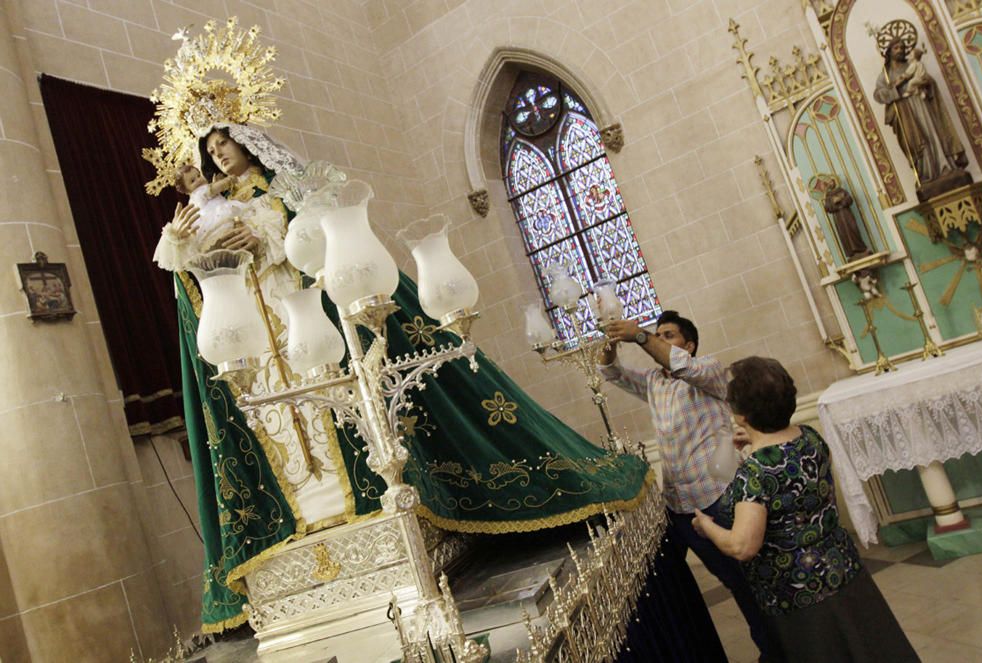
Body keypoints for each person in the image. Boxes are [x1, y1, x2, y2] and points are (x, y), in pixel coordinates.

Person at [158, 123, 655, 633]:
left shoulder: (285, 187)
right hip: (259, 348)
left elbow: (312, 239)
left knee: (339, 410)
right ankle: (308, 528)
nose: (218, 155)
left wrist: (264, 234)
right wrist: (179, 243)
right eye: (210, 149)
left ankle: (377, 509)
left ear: (246, 141)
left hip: (303, 316)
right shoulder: (204, 205)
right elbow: (193, 273)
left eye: (225, 144)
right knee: (288, 429)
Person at [693, 357, 918, 662]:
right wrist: (757, 440)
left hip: (798, 595)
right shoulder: (809, 437)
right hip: (844, 572)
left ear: (740, 415)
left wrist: (707, 527)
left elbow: (742, 546)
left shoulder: (756, 472)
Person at [601, 311, 777, 661]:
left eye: (670, 335)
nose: (662, 339)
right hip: (679, 505)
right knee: (694, 582)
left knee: (747, 583)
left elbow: (685, 367)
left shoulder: (709, 372)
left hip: (719, 497)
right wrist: (608, 346)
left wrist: (640, 337)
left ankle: (777, 652)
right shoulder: (655, 382)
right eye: (659, 334)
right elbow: (612, 373)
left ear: (689, 344)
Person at [873, 36, 967, 186]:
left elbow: (927, 80)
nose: (900, 50)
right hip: (905, 112)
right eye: (896, 48)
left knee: (933, 134)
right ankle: (925, 173)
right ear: (889, 52)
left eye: (902, 47)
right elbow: (878, 95)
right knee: (914, 141)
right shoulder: (885, 75)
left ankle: (945, 167)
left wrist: (925, 84)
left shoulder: (913, 65)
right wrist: (894, 89)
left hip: (922, 106)